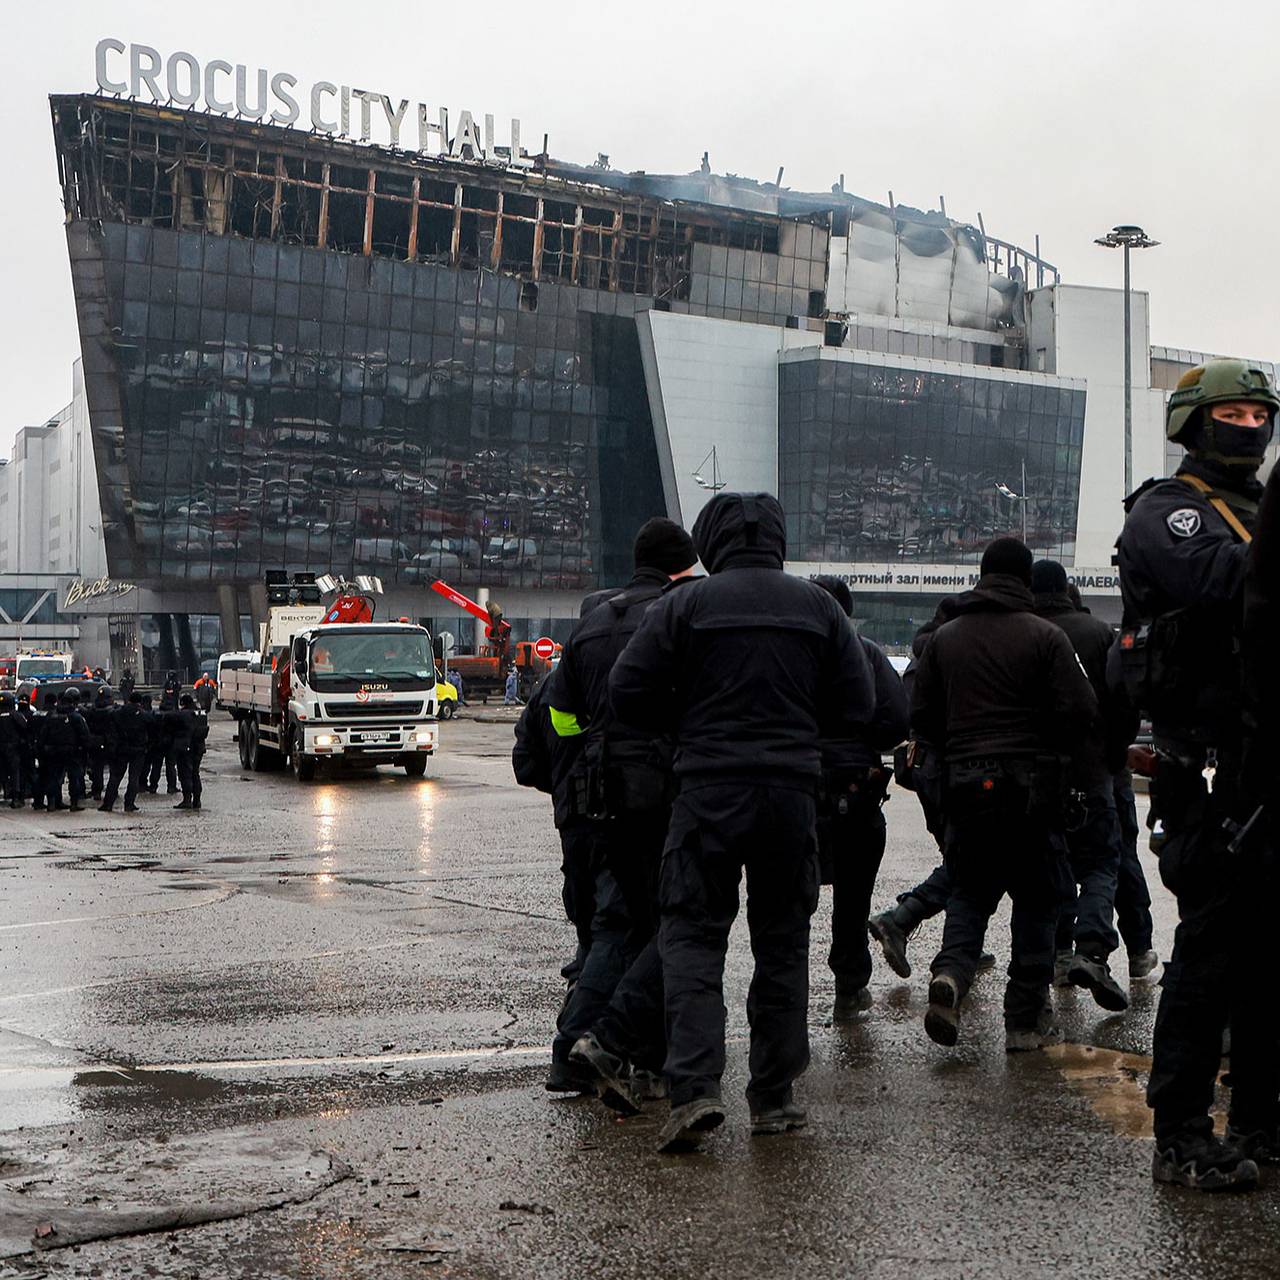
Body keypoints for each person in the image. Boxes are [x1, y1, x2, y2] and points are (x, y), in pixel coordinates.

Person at [609, 492, 876, 1152]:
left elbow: (627, 690)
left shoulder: (685, 605)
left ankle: (695, 1090)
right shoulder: (817, 607)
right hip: (790, 795)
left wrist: (682, 732)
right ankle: (775, 1099)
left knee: (695, 940)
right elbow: (860, 703)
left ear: (713, 540)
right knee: (782, 944)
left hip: (707, 792)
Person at [1115, 357, 1280, 1191]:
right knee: (1212, 951)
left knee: (1269, 958)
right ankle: (1180, 1129)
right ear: (1194, 421)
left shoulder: (1255, 510)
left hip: (1264, 758)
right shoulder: (1169, 514)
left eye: (1260, 416)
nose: (1248, 428)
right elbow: (1226, 582)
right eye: (1234, 414)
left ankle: (1261, 1117)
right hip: (1208, 767)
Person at [911, 537, 1095, 1052]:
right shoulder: (1047, 636)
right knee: (1037, 899)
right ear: (1025, 579)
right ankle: (1023, 1021)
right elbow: (1082, 710)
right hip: (1033, 789)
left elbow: (922, 717)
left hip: (966, 787)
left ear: (982, 574)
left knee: (969, 890)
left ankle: (950, 974)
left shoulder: (946, 638)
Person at [549, 518, 699, 1112]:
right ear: (678, 568)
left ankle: (569, 1054)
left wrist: (593, 743)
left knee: (618, 924)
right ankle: (643, 1057)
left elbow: (557, 717)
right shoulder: (675, 617)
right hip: (662, 792)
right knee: (676, 921)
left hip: (599, 796)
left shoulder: (591, 625)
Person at [1030, 558, 1132, 1011]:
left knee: (1043, 872)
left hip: (1033, 776)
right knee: (1100, 866)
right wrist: (1112, 760)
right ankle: (1091, 951)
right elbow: (1122, 703)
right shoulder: (1097, 635)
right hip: (1092, 774)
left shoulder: (1021, 630)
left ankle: (1050, 959)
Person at [810, 575, 909, 1019]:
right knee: (853, 897)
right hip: (853, 786)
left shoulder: (790, 654)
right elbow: (895, 721)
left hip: (797, 784)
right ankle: (849, 988)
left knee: (786, 896)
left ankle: (782, 993)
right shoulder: (867, 653)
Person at [42, 687, 93, 812]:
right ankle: (74, 803)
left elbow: (44, 734)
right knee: (74, 778)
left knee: (54, 777)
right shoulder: (76, 717)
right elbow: (84, 734)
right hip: (72, 751)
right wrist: (86, 750)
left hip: (54, 751)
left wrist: (44, 749)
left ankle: (52, 803)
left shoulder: (52, 715)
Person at [100, 691, 149, 813]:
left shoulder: (118, 712)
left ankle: (108, 804)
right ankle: (129, 804)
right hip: (138, 749)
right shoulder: (144, 715)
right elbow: (153, 726)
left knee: (115, 776)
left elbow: (110, 725)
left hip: (122, 748)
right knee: (134, 777)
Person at [164, 693, 203, 810]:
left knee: (185, 774)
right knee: (195, 774)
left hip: (185, 749)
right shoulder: (200, 714)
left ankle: (187, 800)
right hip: (198, 748)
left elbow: (168, 719)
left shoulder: (183, 715)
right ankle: (197, 800)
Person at [84, 687, 115, 801]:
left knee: (97, 768)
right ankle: (112, 791)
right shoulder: (113, 710)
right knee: (114, 769)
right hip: (110, 742)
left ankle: (97, 790)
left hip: (96, 742)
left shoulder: (93, 709)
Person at [0, 694, 26, 808]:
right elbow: (25, 727)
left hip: (1, 748)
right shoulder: (15, 715)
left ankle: (6, 792)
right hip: (13, 748)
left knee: (1, 772)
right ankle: (15, 798)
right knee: (15, 773)